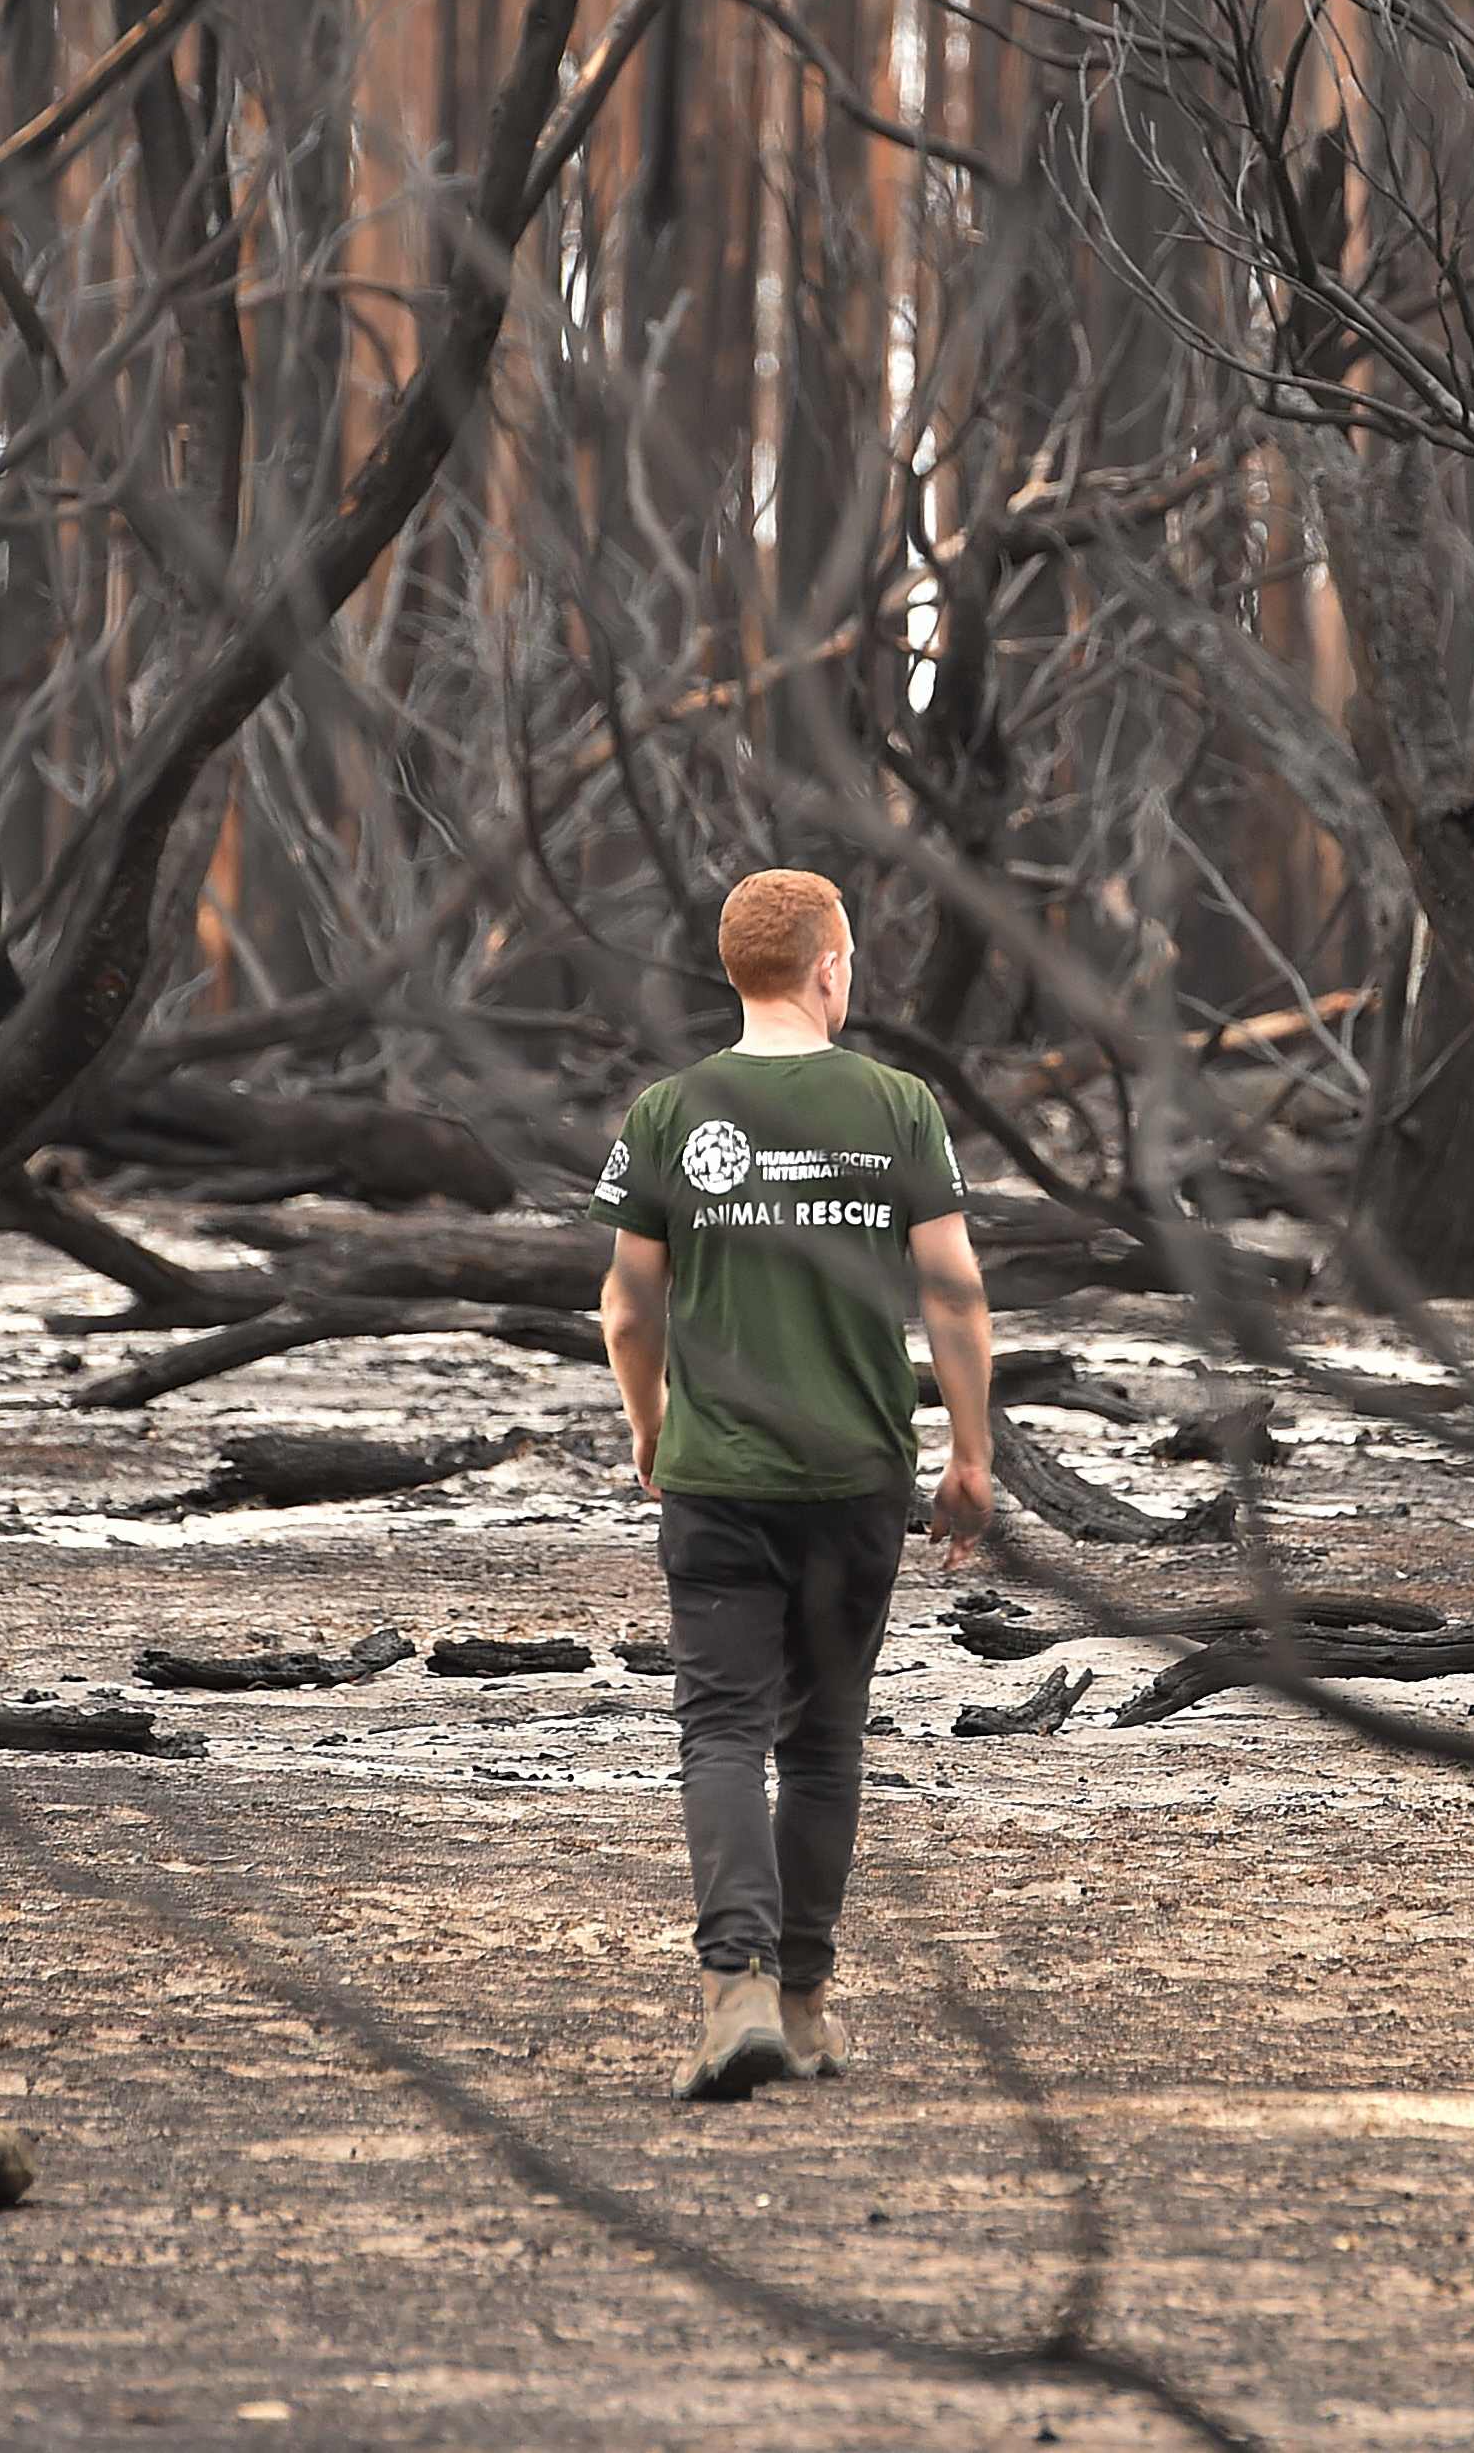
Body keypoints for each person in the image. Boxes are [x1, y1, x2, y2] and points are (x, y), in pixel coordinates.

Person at [590, 869, 995, 2102]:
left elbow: (622, 1310)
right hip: (854, 1473)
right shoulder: (899, 1105)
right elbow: (955, 1293)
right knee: (824, 1739)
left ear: (736, 971)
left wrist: (652, 1428)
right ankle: (806, 2007)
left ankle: (736, 1995)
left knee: (719, 1728)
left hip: (719, 1475)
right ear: (830, 968)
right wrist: (970, 1456)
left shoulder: (668, 1111)